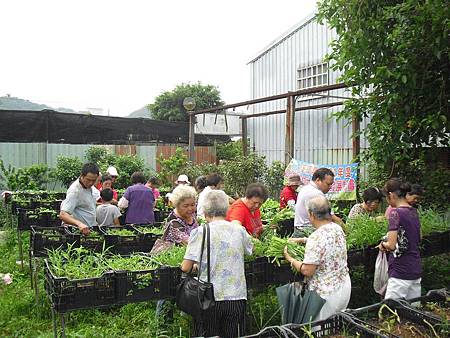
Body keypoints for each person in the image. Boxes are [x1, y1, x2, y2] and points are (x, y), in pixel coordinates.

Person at [181, 190, 253, 337]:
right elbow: (249, 251)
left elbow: (185, 267)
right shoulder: (239, 230)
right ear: (226, 210)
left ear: (206, 212)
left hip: (209, 297)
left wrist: (197, 265)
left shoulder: (200, 232)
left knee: (210, 334)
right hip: (236, 296)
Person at [284, 196, 351, 322]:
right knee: (336, 328)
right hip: (343, 287)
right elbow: (326, 242)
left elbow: (307, 270)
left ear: (311, 214)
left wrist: (290, 259)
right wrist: (302, 240)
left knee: (320, 329)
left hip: (325, 295)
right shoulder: (337, 228)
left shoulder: (317, 237)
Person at [379, 178, 422, 300]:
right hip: (415, 268)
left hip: (400, 270)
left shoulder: (395, 213)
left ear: (391, 195)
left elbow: (391, 245)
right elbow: (419, 237)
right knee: (413, 313)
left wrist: (383, 244)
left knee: (390, 312)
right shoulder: (413, 211)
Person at [294, 167, 342, 238]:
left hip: (300, 228)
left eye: (331, 184)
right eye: (328, 184)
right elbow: (332, 217)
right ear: (318, 180)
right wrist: (347, 230)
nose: (330, 187)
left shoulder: (306, 188)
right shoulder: (316, 193)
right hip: (307, 230)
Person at [60, 162, 100, 235]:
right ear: (82, 176)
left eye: (93, 180)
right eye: (88, 180)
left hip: (89, 230)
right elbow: (63, 214)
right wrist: (79, 224)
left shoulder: (89, 187)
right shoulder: (75, 191)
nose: (91, 183)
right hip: (77, 232)